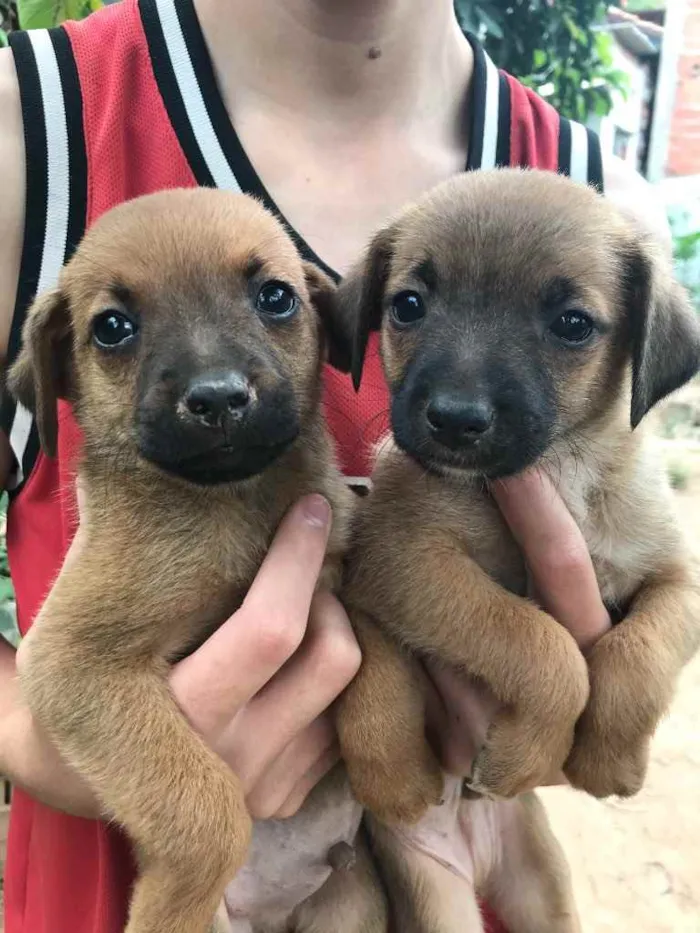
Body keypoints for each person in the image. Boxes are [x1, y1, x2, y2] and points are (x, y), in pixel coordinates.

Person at [0, 1, 673, 931]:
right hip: (121, 875)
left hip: (406, 876)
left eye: (275, 304)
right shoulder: (24, 127)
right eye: (115, 330)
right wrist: (26, 740)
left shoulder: (594, 193)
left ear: (321, 316)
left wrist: (562, 695)